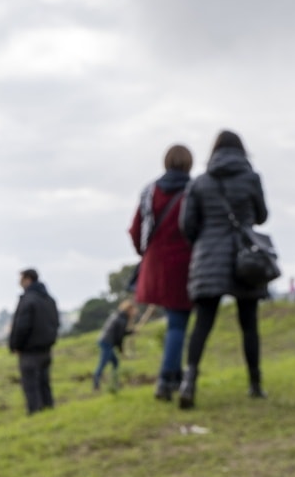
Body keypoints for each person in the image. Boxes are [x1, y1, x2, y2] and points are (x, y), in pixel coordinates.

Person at [176, 130, 270, 408]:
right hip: (246, 256)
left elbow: (187, 225)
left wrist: (205, 241)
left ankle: (188, 382)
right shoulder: (251, 178)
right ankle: (255, 384)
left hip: (209, 256)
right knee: (249, 323)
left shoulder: (200, 182)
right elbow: (262, 216)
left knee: (202, 323)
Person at [128, 143, 195, 400]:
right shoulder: (194, 190)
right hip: (184, 265)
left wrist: (145, 254)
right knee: (178, 323)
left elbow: (136, 230)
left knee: (174, 322)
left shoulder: (149, 191)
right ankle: (166, 379)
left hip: (155, 264)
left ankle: (174, 376)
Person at [8, 268, 60, 413]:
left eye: (21, 279)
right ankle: (49, 411)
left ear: (28, 279)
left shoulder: (28, 300)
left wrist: (16, 345)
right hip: (46, 349)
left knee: (31, 386)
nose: (19, 282)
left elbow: (22, 326)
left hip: (29, 351)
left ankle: (35, 414)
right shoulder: (49, 300)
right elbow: (56, 323)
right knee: (44, 384)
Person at [92, 299, 136, 392]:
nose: (134, 312)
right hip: (107, 342)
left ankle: (114, 382)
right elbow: (119, 337)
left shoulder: (119, 315)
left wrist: (130, 332)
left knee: (115, 362)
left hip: (105, 340)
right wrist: (121, 350)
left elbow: (120, 332)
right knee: (103, 363)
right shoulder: (122, 319)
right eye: (132, 310)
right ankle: (96, 384)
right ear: (128, 309)